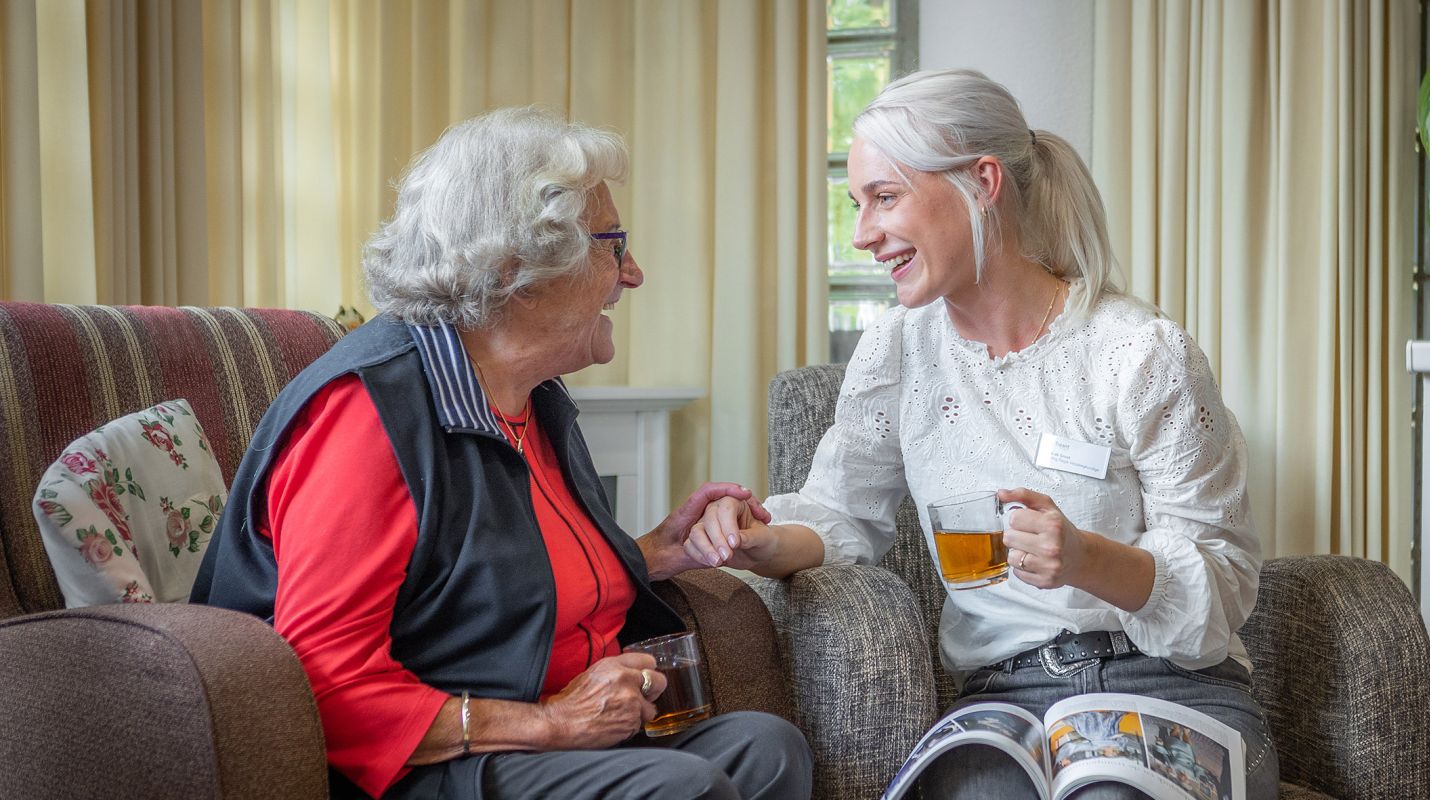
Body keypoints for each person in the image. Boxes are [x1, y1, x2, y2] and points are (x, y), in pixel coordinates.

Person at [680, 69, 1280, 799]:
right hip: (1001, 698)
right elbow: (842, 512)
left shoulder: (1139, 353)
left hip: (1165, 684)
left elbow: (1223, 581)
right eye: (857, 205)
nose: (864, 233)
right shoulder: (896, 351)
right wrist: (761, 541)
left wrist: (1087, 558)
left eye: (885, 197)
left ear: (982, 182)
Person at [191, 107, 810, 800]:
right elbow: (324, 681)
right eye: (612, 244)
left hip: (526, 739)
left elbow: (495, 576)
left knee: (766, 748)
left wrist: (651, 552)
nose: (631, 273)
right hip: (416, 764)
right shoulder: (370, 417)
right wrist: (548, 724)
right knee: (683, 787)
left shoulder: (528, 394)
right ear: (518, 266)